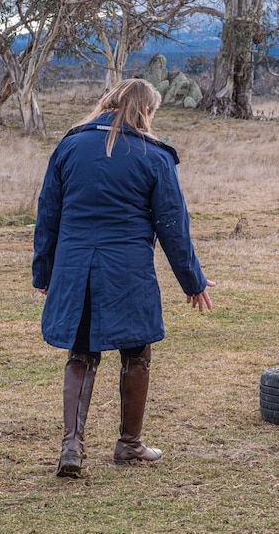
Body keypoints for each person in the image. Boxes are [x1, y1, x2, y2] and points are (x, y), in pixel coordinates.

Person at [32, 78, 215, 479]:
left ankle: (72, 445)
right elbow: (173, 227)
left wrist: (44, 272)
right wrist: (193, 281)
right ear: (145, 110)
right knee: (136, 354)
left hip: (74, 268)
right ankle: (129, 444)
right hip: (128, 272)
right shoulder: (154, 156)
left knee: (81, 354)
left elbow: (47, 216)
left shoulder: (69, 146)